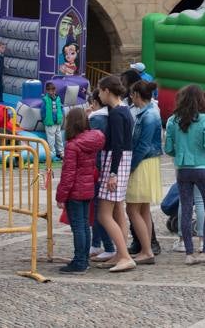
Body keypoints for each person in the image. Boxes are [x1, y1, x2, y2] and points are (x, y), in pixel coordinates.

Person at [164, 84, 205, 266]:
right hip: (200, 167)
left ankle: (189, 253)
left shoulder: (172, 120)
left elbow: (168, 148)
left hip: (182, 168)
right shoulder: (203, 119)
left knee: (185, 207)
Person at [92, 75, 136, 273]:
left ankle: (125, 256)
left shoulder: (117, 113)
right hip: (121, 160)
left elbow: (117, 144)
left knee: (103, 213)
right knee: (118, 209)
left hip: (116, 161)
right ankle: (121, 253)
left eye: (100, 90)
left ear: (107, 91)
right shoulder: (123, 110)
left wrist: (112, 173)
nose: (99, 94)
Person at [56, 107, 105, 274]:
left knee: (78, 227)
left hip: (75, 191)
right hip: (87, 189)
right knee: (84, 225)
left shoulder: (73, 145)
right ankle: (83, 259)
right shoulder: (92, 141)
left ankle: (79, 261)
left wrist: (61, 196)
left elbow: (68, 174)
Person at [126, 80, 162, 263]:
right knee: (144, 209)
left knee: (133, 208)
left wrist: (130, 167)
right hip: (149, 163)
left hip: (143, 163)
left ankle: (146, 250)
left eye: (132, 94)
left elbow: (143, 146)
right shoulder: (151, 112)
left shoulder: (148, 115)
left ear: (137, 95)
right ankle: (147, 248)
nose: (131, 97)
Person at [86, 94, 116, 263]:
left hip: (98, 169)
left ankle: (108, 246)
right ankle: (96, 244)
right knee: (98, 209)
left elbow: (93, 146)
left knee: (99, 211)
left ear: (94, 103)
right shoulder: (109, 116)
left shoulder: (97, 119)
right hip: (104, 167)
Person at [41, 82, 65, 161]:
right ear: (47, 91)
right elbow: (43, 111)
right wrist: (44, 119)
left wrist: (61, 116)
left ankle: (61, 152)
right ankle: (52, 153)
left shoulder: (58, 98)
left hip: (57, 122)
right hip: (49, 122)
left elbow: (61, 108)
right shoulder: (45, 99)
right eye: (50, 90)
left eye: (53, 90)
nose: (52, 92)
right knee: (51, 139)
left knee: (59, 137)